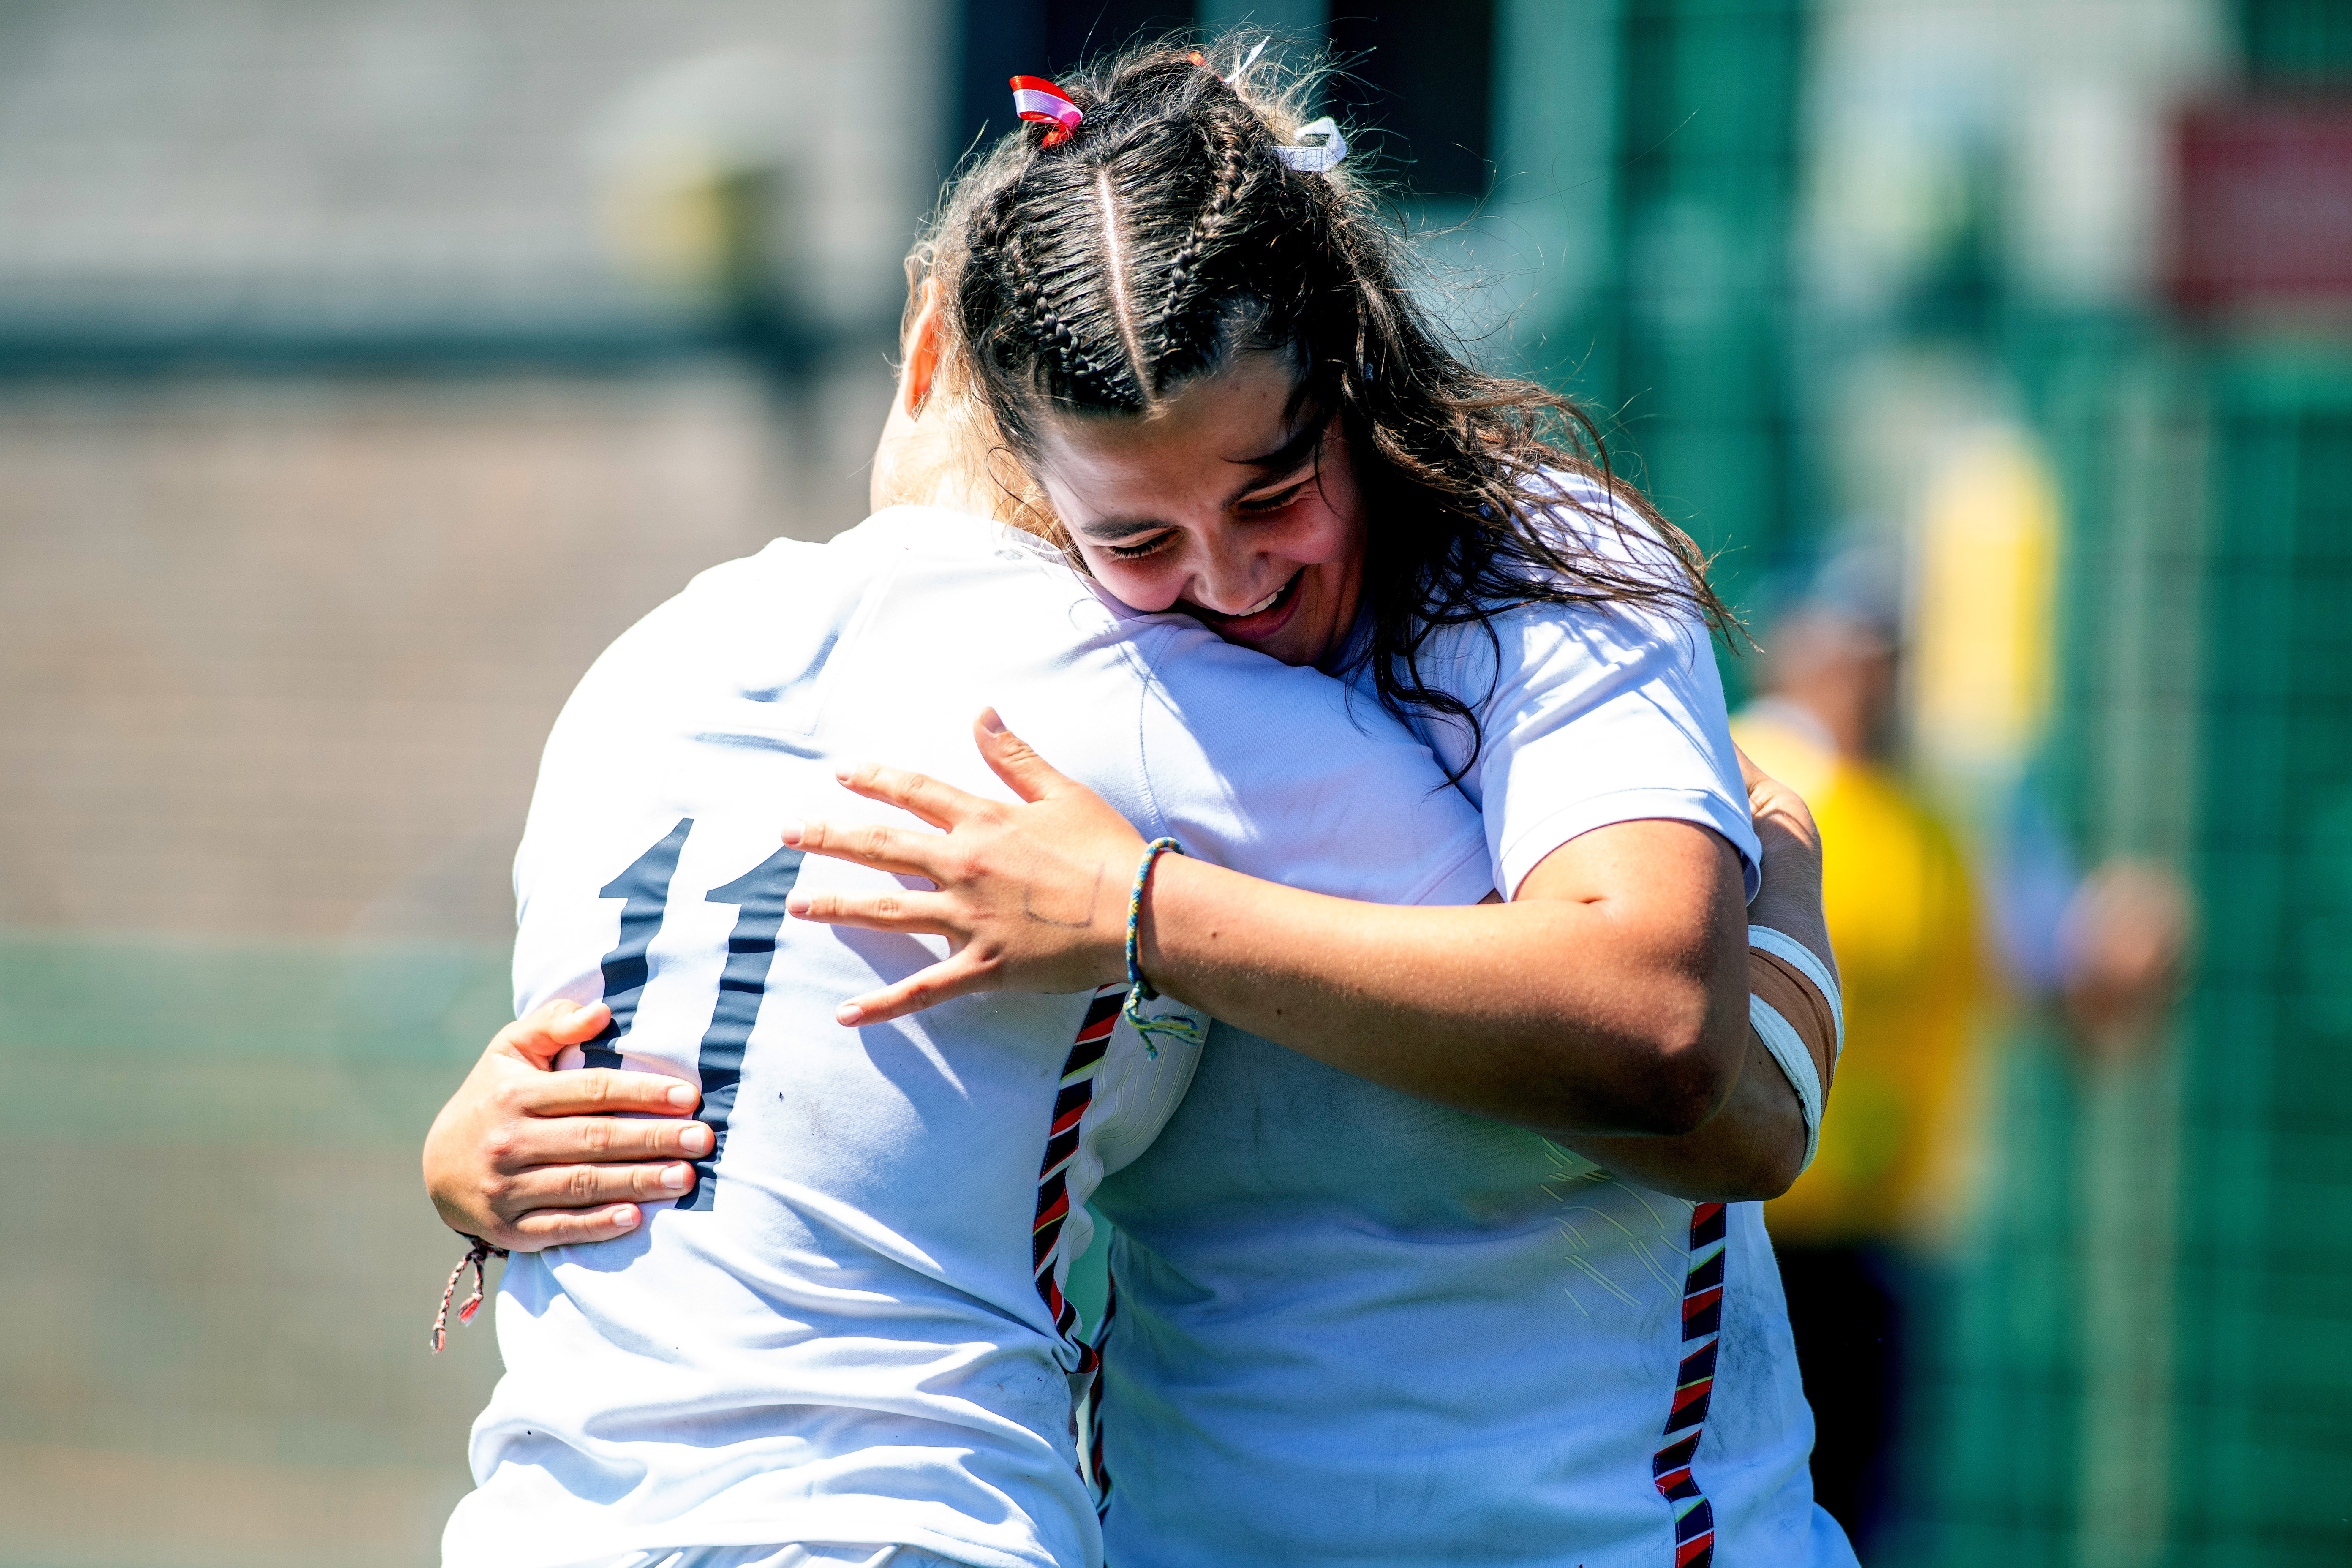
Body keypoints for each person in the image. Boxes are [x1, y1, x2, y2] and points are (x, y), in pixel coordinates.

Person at [426, 36, 1849, 1568]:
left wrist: (1141, 913)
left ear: (1355, 363)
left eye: (1271, 493)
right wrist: (485, 1156)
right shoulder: (1089, 692)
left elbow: (1680, 1062)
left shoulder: (1539, 564)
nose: (1226, 584)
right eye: (1136, 533)